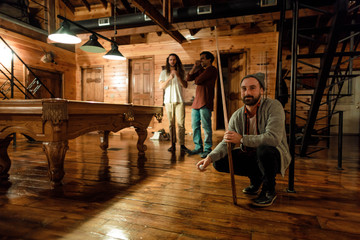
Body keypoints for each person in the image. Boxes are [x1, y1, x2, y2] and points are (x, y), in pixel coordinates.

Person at [196, 72, 291, 207]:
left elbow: (273, 139)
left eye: (253, 88)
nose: (248, 92)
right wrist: (210, 158)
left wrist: (241, 139)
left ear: (262, 90)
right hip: (251, 154)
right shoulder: (237, 115)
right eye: (244, 89)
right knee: (219, 161)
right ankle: (256, 179)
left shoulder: (274, 106)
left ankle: (269, 190)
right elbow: (227, 142)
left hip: (273, 154)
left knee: (264, 150)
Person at [186, 51, 218, 159]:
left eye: (203, 58)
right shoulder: (201, 70)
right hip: (196, 103)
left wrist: (197, 75)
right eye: (200, 58)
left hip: (205, 101)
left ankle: (207, 148)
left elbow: (198, 80)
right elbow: (188, 78)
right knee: (195, 126)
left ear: (209, 59)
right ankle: (198, 147)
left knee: (206, 127)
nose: (201, 60)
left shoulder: (212, 70)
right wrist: (195, 67)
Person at [159, 53, 189, 153]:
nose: (172, 61)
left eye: (174, 59)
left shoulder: (181, 72)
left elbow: (185, 85)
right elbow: (161, 86)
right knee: (171, 124)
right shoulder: (164, 72)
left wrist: (178, 76)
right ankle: (172, 144)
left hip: (179, 100)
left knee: (181, 124)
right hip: (168, 101)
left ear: (177, 61)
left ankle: (182, 145)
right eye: (171, 59)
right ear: (168, 61)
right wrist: (169, 78)